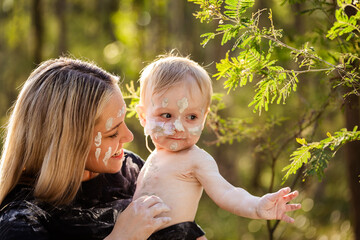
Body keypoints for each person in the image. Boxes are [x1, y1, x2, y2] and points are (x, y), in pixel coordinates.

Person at [0, 57, 174, 240]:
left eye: (123, 122)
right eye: (112, 133)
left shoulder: (129, 170)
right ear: (69, 144)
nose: (128, 136)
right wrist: (122, 236)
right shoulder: (21, 222)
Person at [134, 54, 302, 239]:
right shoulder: (153, 158)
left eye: (191, 117)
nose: (178, 127)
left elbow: (228, 192)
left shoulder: (195, 158)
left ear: (204, 118)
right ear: (143, 116)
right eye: (166, 115)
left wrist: (257, 206)